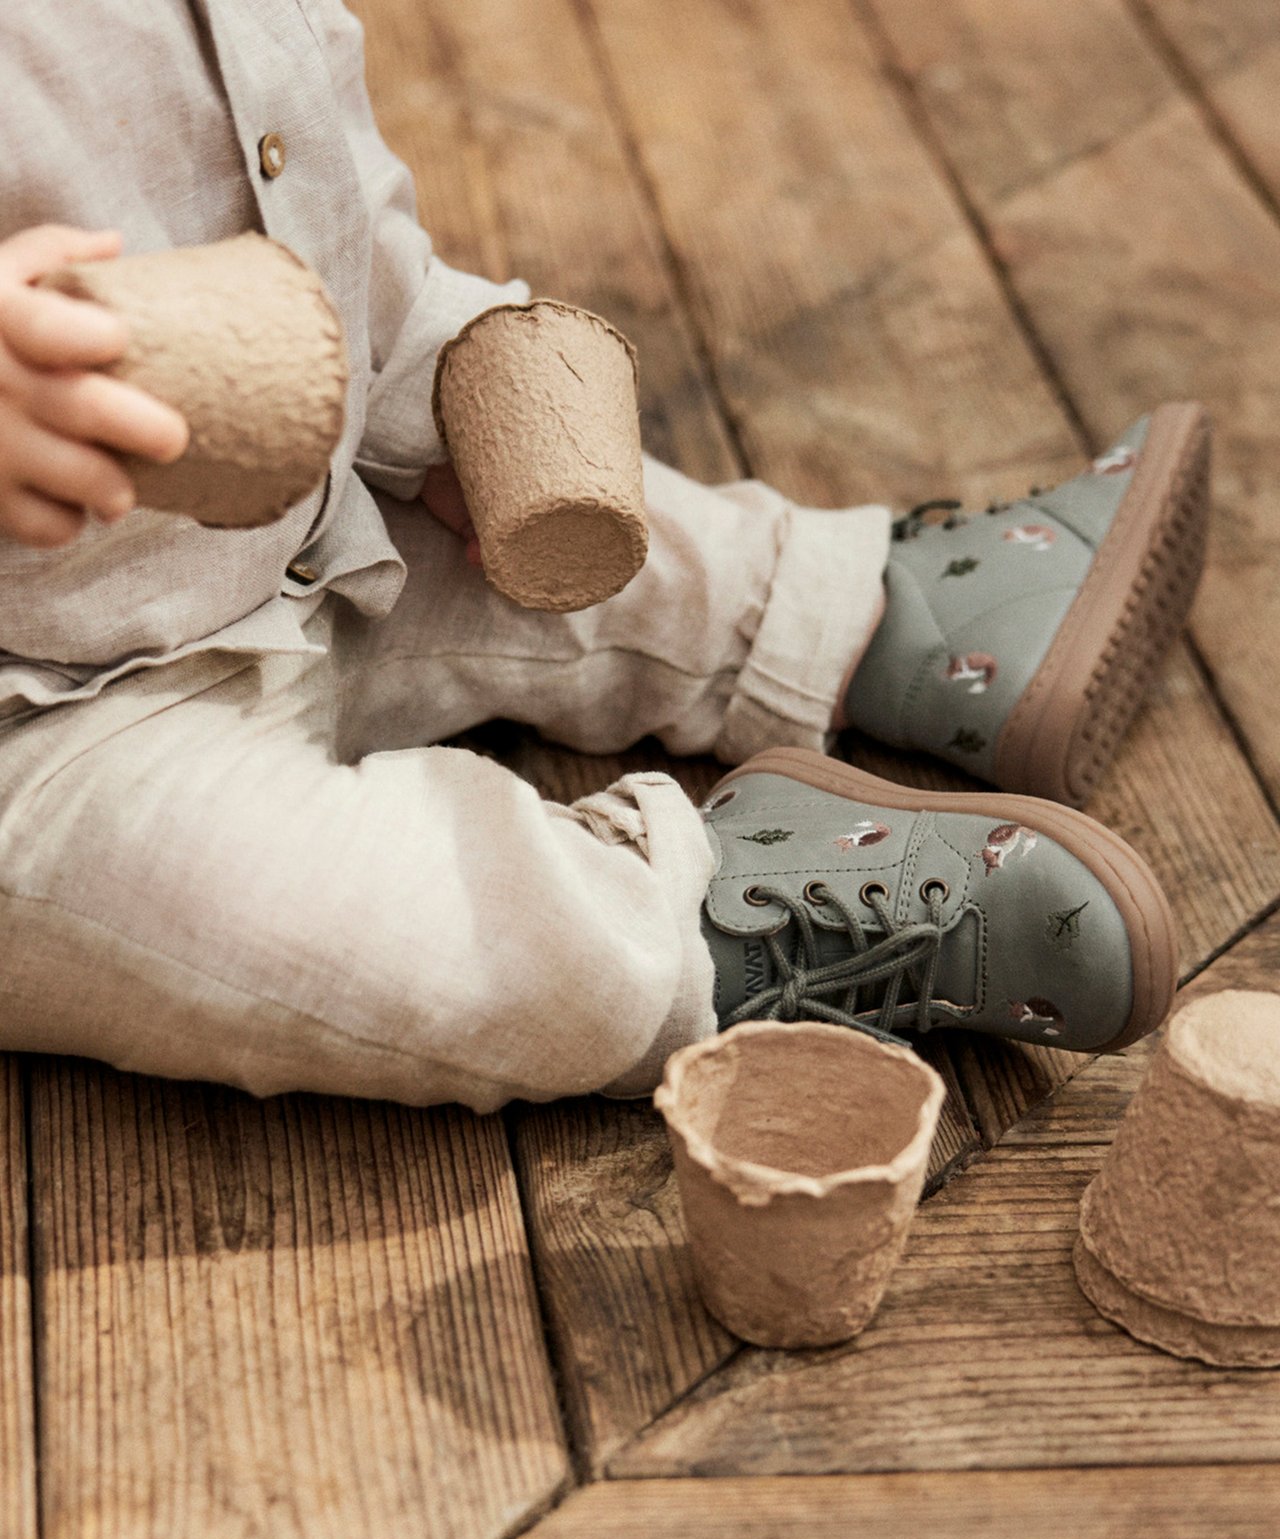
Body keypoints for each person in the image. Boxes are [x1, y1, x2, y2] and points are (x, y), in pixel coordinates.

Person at [0, 0, 1207, 1111]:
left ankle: (877, 620)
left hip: (291, 518)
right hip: (53, 725)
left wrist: (427, 371)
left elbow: (305, 164)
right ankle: (700, 926)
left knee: (566, 531)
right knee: (306, 919)